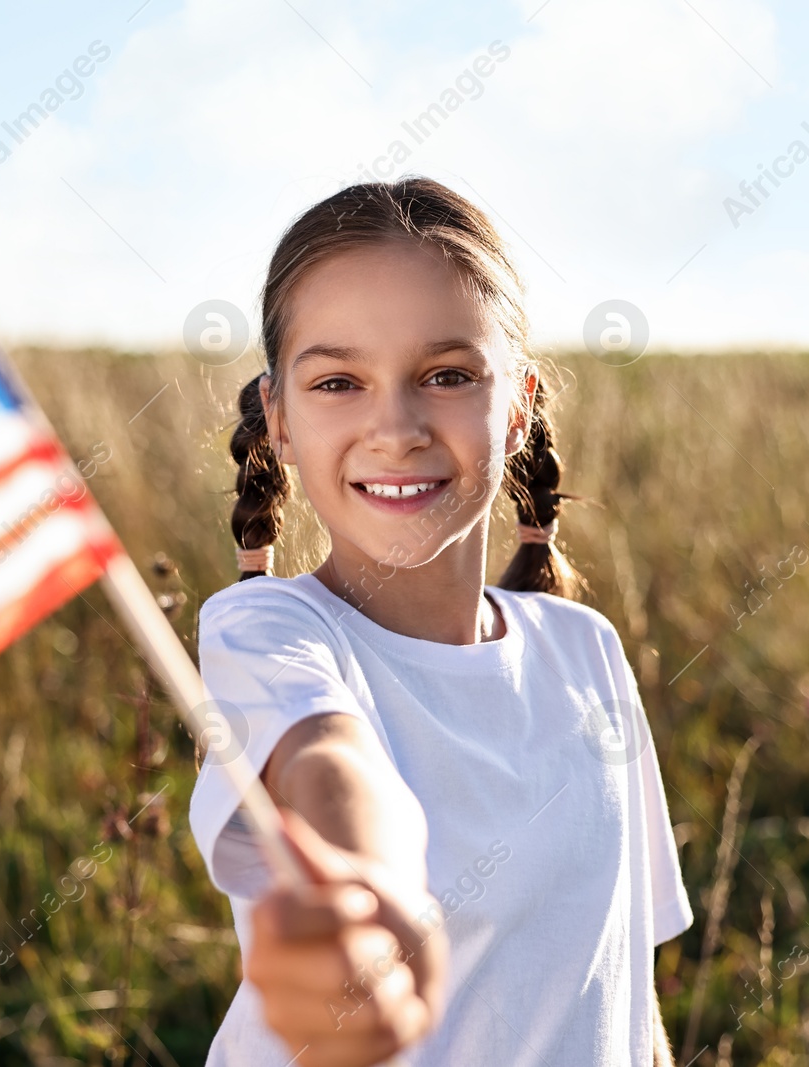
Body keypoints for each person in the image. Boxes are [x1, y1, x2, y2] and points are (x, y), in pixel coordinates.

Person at [187, 176, 692, 1066]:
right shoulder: (266, 633)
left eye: (448, 375)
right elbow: (334, 768)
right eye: (339, 381)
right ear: (279, 420)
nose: (397, 427)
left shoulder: (587, 650)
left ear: (521, 404)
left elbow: (624, 988)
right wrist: (370, 894)